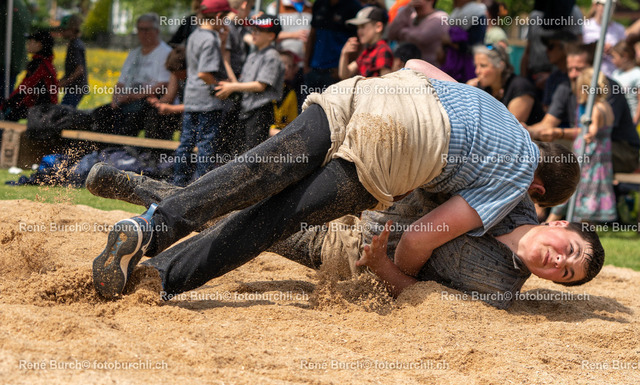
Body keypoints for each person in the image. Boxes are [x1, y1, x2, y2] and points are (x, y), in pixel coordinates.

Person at [90, 60, 580, 300]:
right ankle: (162, 278)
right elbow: (418, 238)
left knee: (254, 172)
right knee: (274, 218)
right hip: (401, 142)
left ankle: (152, 225)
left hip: (377, 93)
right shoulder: (516, 180)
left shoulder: (501, 114)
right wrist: (395, 272)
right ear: (538, 193)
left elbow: (417, 65)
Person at [86, 167, 604, 308]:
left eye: (566, 275)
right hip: (368, 191)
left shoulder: (499, 290)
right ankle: (141, 199)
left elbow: (421, 296)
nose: (559, 263)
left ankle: (130, 190)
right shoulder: (512, 194)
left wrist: (381, 266)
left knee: (245, 223)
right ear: (559, 224)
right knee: (252, 190)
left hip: (348, 254)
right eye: (570, 253)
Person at [526, 44, 640, 174]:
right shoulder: (565, 87)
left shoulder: (607, 89)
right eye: (570, 69)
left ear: (593, 68)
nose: (573, 75)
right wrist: (527, 130)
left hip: (622, 150)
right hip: (588, 144)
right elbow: (547, 123)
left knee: (571, 152)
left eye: (579, 69)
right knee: (543, 149)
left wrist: (559, 133)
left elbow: (594, 132)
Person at [172, 0, 233, 186]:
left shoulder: (195, 35)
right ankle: (200, 186)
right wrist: (220, 85)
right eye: (225, 19)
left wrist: (222, 42)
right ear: (218, 16)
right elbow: (204, 73)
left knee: (186, 143)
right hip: (207, 101)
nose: (225, 23)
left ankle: (178, 183)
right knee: (206, 145)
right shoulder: (210, 39)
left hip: (191, 98)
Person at [547, 68, 616, 223]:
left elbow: (592, 131)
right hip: (602, 156)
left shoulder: (596, 109)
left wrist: (588, 134)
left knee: (577, 185)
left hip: (589, 156)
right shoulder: (607, 106)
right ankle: (586, 225)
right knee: (593, 189)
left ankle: (551, 221)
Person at [92, 13, 173, 138]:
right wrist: (115, 99)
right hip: (127, 99)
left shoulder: (166, 53)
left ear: (156, 31)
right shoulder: (134, 53)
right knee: (100, 114)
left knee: (129, 117)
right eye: (140, 29)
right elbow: (121, 82)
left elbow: (163, 85)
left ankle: (124, 148)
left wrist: (131, 97)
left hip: (149, 101)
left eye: (147, 29)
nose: (143, 33)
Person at [214, 15, 285, 153]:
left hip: (260, 111)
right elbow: (240, 84)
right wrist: (224, 51)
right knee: (239, 151)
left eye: (258, 31)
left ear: (271, 36)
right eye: (253, 30)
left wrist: (232, 87)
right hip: (246, 109)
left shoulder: (272, 56)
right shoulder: (253, 55)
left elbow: (260, 86)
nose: (253, 33)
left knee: (252, 153)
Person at [468, 45, 544, 125]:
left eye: (483, 66)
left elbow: (510, 126)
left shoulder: (520, 86)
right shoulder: (481, 88)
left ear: (500, 66)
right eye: (476, 66)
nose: (477, 71)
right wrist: (468, 94)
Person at [303, 0, 362, 94]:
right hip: (314, 69)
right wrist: (306, 65)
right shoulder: (319, 4)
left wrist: (344, 69)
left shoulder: (354, 6)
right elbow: (312, 35)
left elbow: (358, 42)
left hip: (335, 73)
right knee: (308, 102)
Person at [1, 31, 57, 122]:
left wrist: (7, 104)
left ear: (39, 45)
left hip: (41, 109)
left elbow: (26, 87)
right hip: (44, 108)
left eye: (31, 41)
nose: (28, 44)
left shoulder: (38, 64)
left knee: (8, 116)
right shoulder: (46, 63)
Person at [387, 0, 449, 66]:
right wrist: (407, 8)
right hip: (407, 67)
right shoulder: (412, 15)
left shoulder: (440, 17)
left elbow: (421, 38)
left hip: (429, 68)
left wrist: (402, 31)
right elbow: (391, 33)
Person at [339, 6, 393, 80]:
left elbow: (385, 81)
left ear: (378, 27)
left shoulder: (382, 50)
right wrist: (344, 53)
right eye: (358, 27)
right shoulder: (367, 51)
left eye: (362, 26)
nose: (358, 31)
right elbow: (345, 75)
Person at [440, 0, 487, 83]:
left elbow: (475, 46)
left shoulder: (478, 14)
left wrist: (450, 42)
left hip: (467, 69)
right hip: (451, 65)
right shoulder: (456, 13)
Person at [146, 46, 187, 139]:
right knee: (155, 114)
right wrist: (158, 103)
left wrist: (171, 109)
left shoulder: (196, 78)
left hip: (191, 113)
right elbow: (169, 97)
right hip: (180, 110)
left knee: (187, 118)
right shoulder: (175, 72)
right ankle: (153, 146)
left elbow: (196, 106)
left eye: (177, 73)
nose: (176, 75)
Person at [582, 0, 625, 77]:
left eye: (612, 4)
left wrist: (614, 51)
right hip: (590, 75)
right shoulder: (584, 27)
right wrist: (596, 48)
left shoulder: (620, 29)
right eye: (604, 5)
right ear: (595, 6)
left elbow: (625, 54)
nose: (609, 7)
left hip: (614, 76)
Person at [57, 14, 88, 108]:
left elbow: (79, 70)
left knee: (63, 112)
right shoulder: (74, 44)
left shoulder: (75, 46)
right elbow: (71, 70)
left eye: (64, 30)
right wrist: (59, 82)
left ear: (73, 29)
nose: (61, 32)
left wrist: (64, 82)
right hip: (75, 88)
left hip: (76, 89)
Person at [270, 50, 302, 136]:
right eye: (283, 64)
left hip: (280, 135)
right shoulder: (264, 89)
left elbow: (292, 124)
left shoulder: (291, 93)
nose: (286, 68)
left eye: (290, 66)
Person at [611, 41, 640, 125]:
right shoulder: (616, 73)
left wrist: (635, 120)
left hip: (631, 120)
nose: (612, 60)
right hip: (617, 119)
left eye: (614, 57)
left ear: (624, 56)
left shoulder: (637, 74)